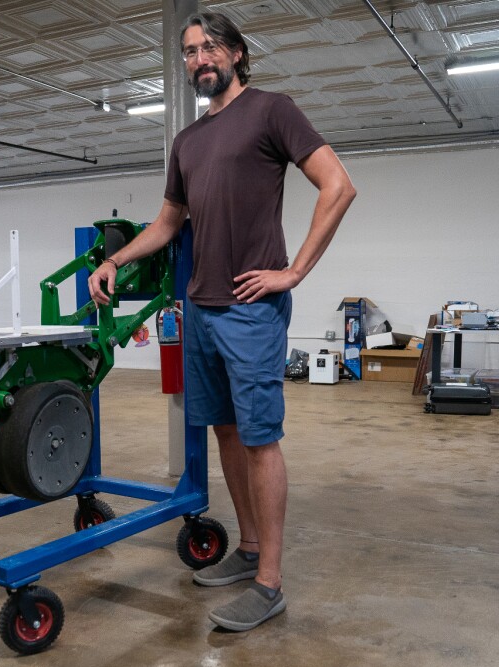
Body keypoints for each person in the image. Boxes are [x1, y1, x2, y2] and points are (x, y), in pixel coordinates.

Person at [88, 11, 356, 631]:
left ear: (236, 52)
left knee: (260, 438)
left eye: (210, 47)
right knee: (227, 433)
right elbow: (168, 223)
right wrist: (114, 260)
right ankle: (249, 549)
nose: (199, 59)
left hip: (250, 309)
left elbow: (337, 185)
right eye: (188, 52)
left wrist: (292, 273)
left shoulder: (271, 110)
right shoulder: (187, 143)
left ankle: (270, 584)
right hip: (201, 308)